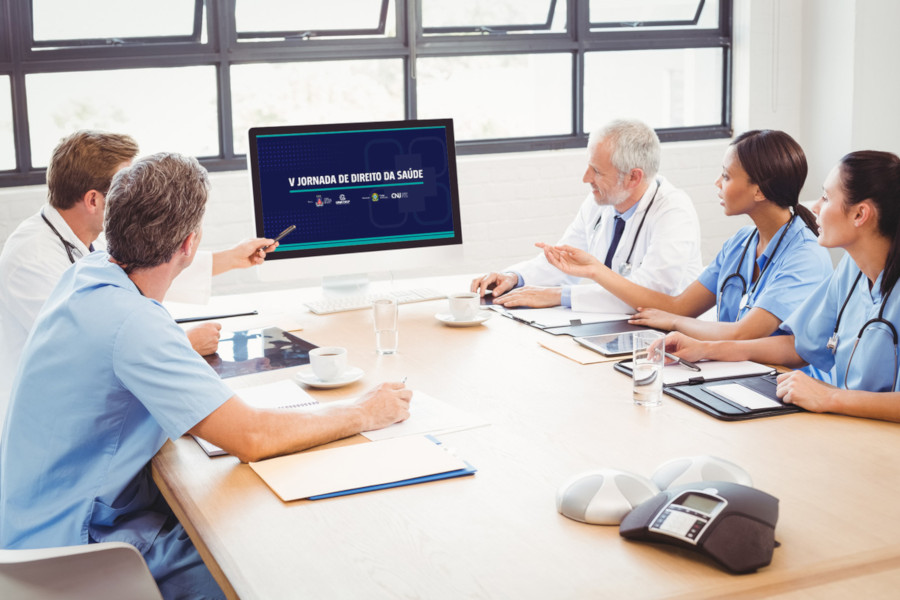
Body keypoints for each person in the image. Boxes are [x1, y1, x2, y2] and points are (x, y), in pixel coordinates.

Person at [0, 153, 413, 599]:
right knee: (272, 558)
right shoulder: (132, 322)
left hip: (31, 526)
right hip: (79, 549)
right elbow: (251, 436)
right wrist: (363, 412)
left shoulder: (88, 274)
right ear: (189, 244)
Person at [0, 131, 275, 428]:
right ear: (93, 199)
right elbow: (87, 355)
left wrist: (234, 257)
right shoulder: (30, 258)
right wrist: (183, 343)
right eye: (122, 184)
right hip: (49, 421)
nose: (131, 192)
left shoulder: (89, 237)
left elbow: (148, 266)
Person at [665, 150, 900, 422]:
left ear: (860, 214)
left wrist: (829, 397)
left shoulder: (810, 253)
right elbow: (799, 346)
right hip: (850, 425)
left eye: (826, 197)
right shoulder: (851, 270)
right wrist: (706, 350)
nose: (815, 207)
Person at [540, 130, 834, 343]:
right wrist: (595, 270)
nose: (717, 183)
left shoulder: (805, 255)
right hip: (734, 369)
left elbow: (745, 333)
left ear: (759, 191)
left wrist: (677, 324)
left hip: (785, 386)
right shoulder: (741, 244)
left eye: (727, 177)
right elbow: (679, 305)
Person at [470, 118, 702, 312]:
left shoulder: (673, 212)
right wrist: (515, 277)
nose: (585, 178)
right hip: (613, 325)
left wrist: (560, 296)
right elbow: (563, 261)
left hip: (665, 339)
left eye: (597, 171)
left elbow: (651, 294)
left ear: (633, 177)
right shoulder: (601, 201)